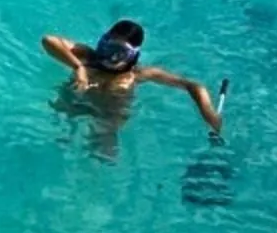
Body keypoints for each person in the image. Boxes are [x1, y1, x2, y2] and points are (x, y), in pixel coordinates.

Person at [41, 19, 225, 159]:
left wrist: (209, 112)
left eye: (119, 52)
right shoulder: (87, 57)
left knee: (103, 161)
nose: (111, 57)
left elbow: (193, 85)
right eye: (108, 48)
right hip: (73, 106)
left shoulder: (138, 74)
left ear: (133, 55)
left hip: (107, 119)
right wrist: (78, 67)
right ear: (102, 43)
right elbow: (48, 41)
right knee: (55, 147)